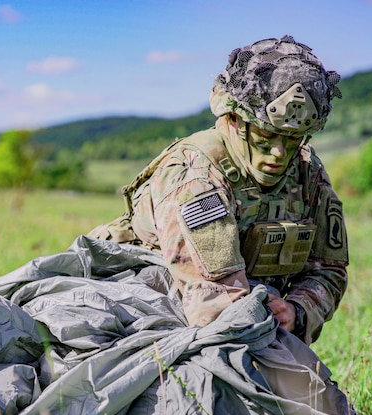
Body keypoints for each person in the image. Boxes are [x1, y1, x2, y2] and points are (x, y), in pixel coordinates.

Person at [89, 35, 348, 343]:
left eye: (292, 140)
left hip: (243, 306)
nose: (279, 153)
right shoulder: (196, 174)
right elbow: (214, 300)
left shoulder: (308, 171)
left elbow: (328, 271)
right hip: (144, 299)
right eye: (266, 137)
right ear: (234, 119)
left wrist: (296, 311)